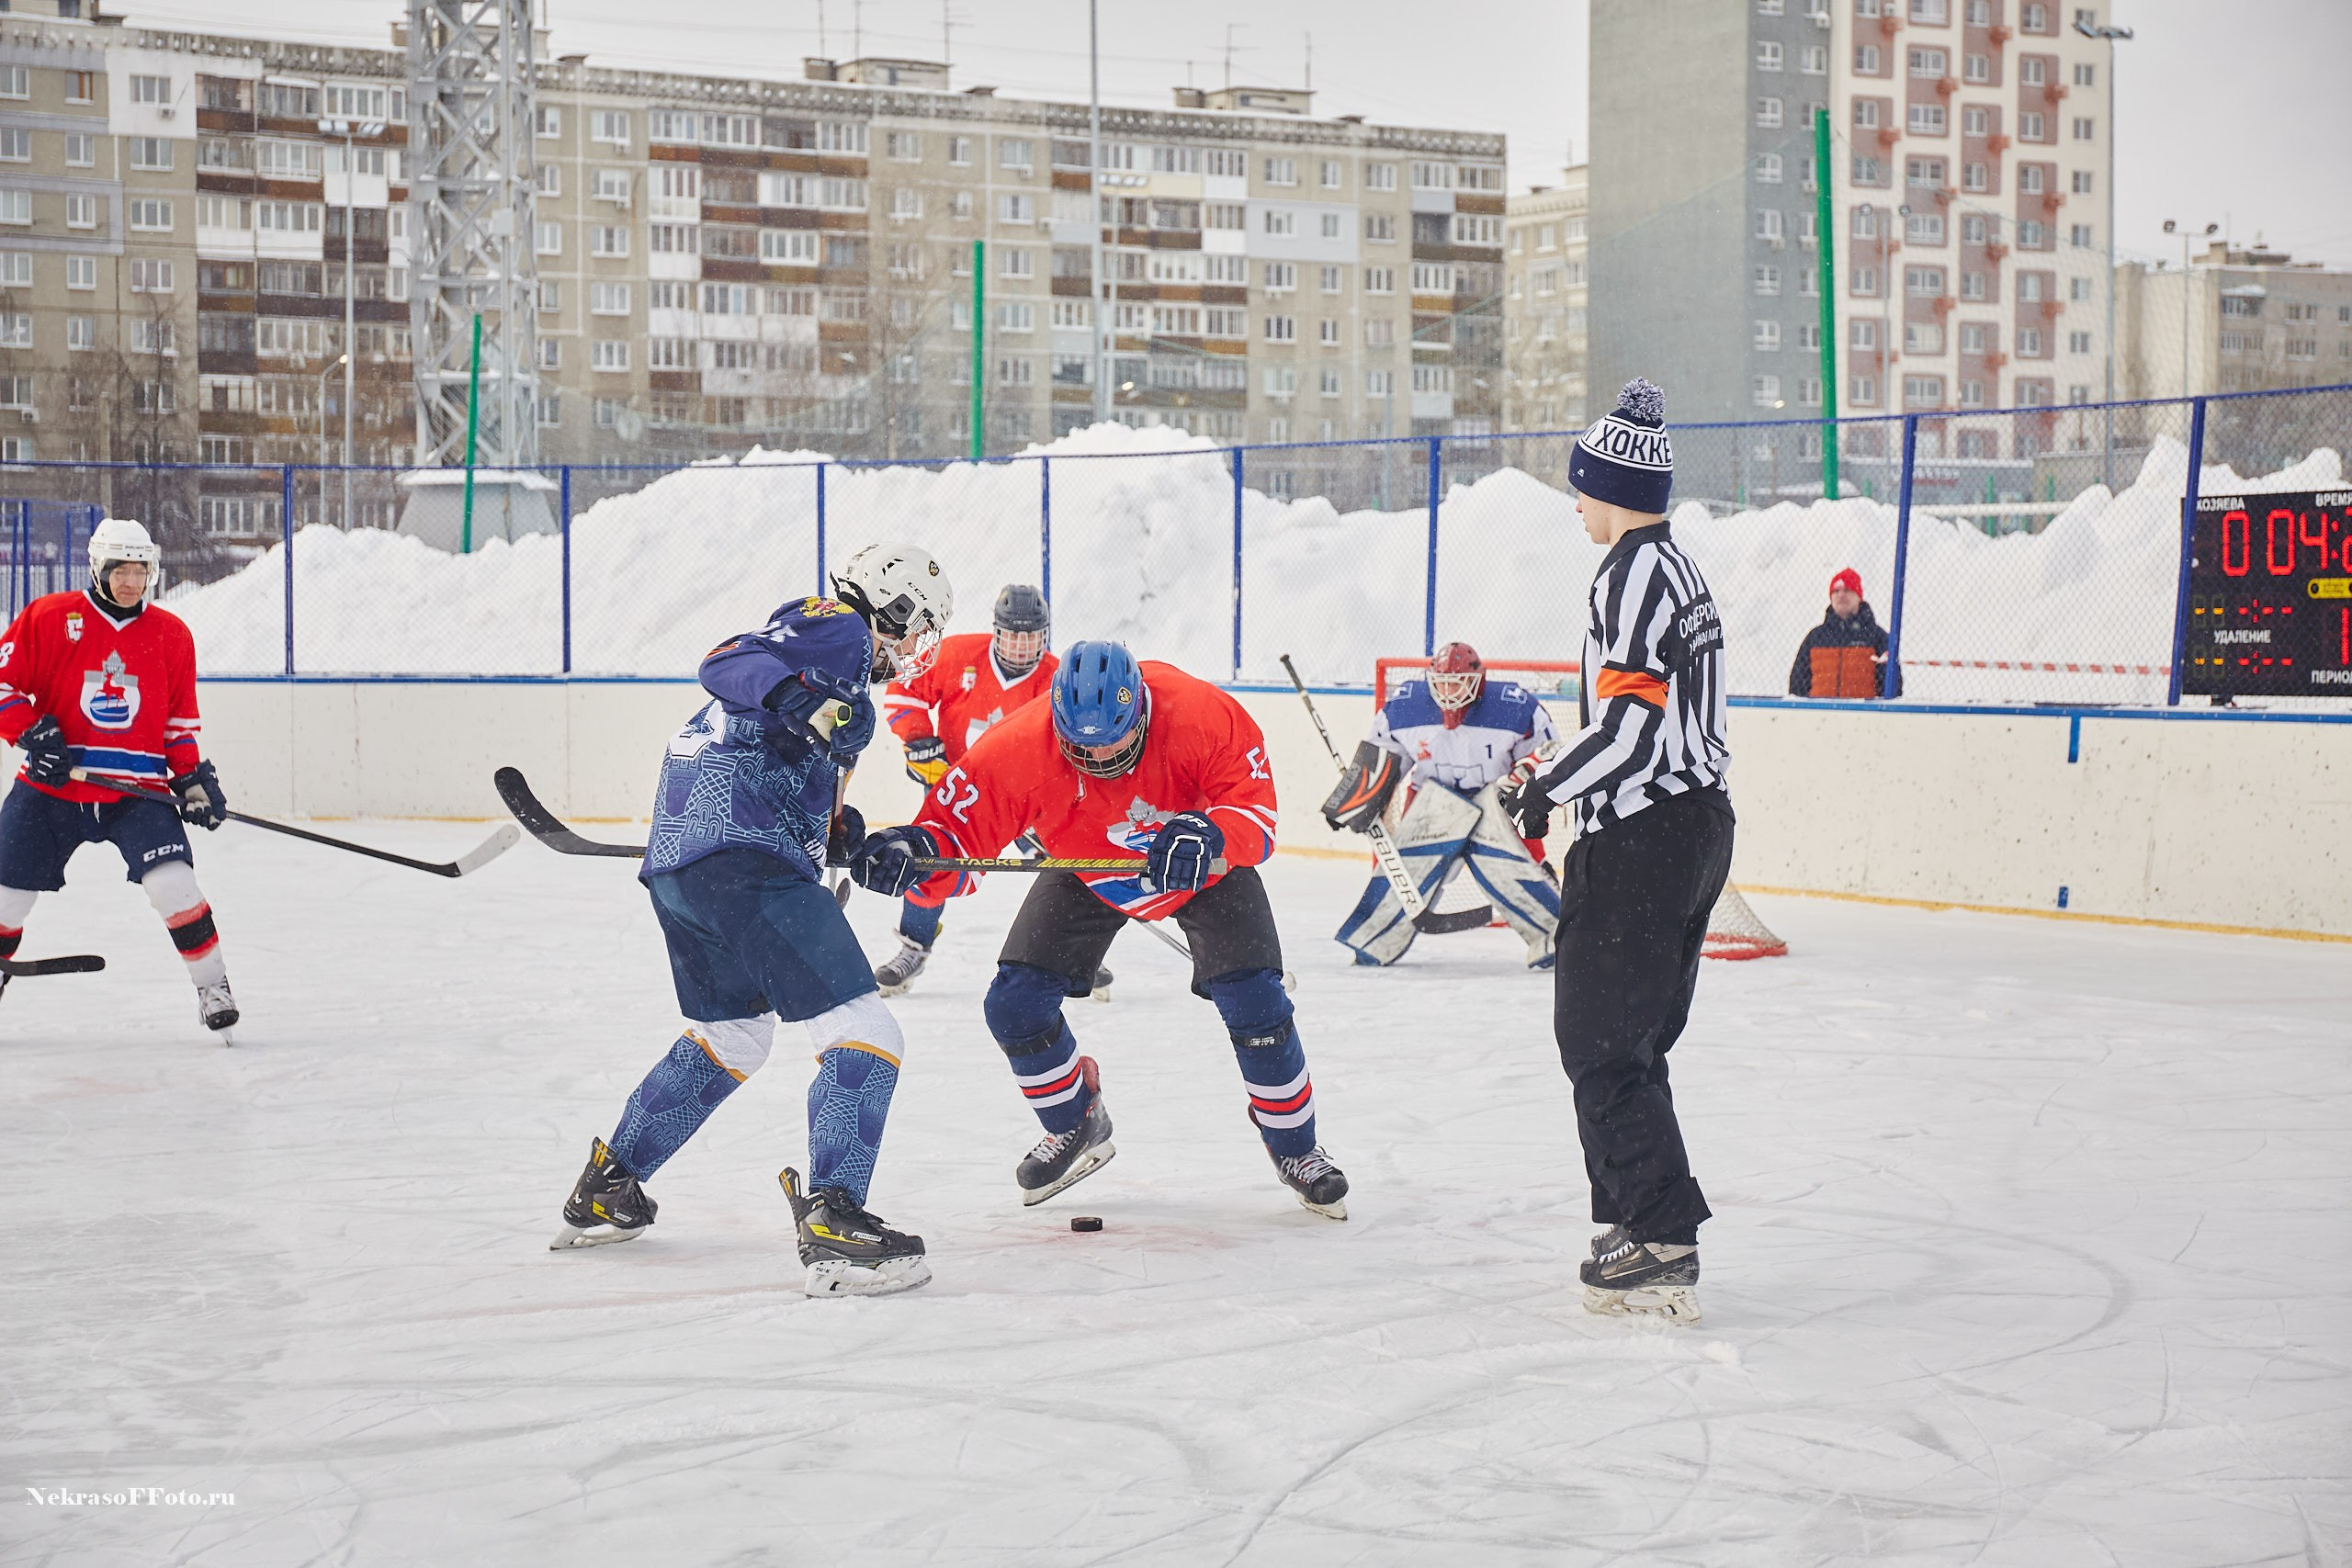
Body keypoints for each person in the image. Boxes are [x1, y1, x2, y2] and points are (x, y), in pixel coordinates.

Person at [550, 542, 954, 1300]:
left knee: (734, 1035)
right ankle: (835, 1220)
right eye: (916, 627)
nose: (912, 648)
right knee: (868, 1027)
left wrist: (851, 843)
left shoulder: (835, 668)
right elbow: (727, 662)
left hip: (686, 866)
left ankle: (609, 1185)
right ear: (892, 608)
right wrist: (808, 700)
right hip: (742, 855)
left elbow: (790, 760)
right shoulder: (839, 628)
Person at [850, 640, 1350, 1220]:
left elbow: (1256, 817)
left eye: (1115, 740)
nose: (1100, 757)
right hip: (1088, 870)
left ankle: (1295, 1146)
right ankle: (1075, 1120)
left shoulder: (1200, 713)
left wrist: (1210, 834)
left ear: (1141, 709)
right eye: (1080, 747)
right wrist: (913, 853)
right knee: (1013, 1007)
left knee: (1257, 1002)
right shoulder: (1017, 746)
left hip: (1199, 868)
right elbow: (955, 837)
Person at [1499, 378, 1733, 1324]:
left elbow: (1632, 729)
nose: (1577, 507)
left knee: (1598, 1041)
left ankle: (1661, 1239)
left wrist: (1542, 784)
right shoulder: (1675, 570)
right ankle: (1644, 1223)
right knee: (1628, 1041)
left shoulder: (1630, 575)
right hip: (1691, 828)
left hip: (1644, 833)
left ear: (1610, 488)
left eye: (1581, 490)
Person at [0, 518, 236, 1038]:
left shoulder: (172, 635)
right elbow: (3, 684)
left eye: (141, 570)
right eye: (120, 570)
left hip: (138, 791)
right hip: (53, 789)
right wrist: (31, 733)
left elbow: (177, 726)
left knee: (173, 884)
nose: (131, 582)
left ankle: (212, 986)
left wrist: (192, 781)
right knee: (6, 898)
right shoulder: (50, 617)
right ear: (97, 568)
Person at [872, 582, 1069, 996]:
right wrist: (918, 740)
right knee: (927, 859)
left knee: (1064, 868)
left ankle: (1074, 953)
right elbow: (903, 690)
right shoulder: (957, 654)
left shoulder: (1058, 678)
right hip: (960, 795)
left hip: (1029, 798)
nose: (1020, 646)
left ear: (1044, 636)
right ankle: (914, 946)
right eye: (1013, 635)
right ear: (997, 632)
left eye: (1029, 637)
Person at [1324, 640, 1561, 968]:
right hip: (1433, 801)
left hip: (1493, 800)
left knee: (1512, 870)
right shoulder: (1406, 705)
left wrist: (1522, 779)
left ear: (1478, 681)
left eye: (1457, 682)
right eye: (1442, 683)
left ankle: (1557, 940)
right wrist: (1355, 799)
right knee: (1408, 870)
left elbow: (1548, 750)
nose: (1449, 691)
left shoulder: (1514, 704)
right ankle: (1374, 942)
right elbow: (1381, 757)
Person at [1786, 568, 1888, 698]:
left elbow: (1891, 684)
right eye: (1836, 591)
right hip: (1819, 715)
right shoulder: (1815, 638)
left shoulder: (1876, 636)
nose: (1841, 595)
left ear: (1858, 597)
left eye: (1847, 590)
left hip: (1863, 715)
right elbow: (1797, 683)